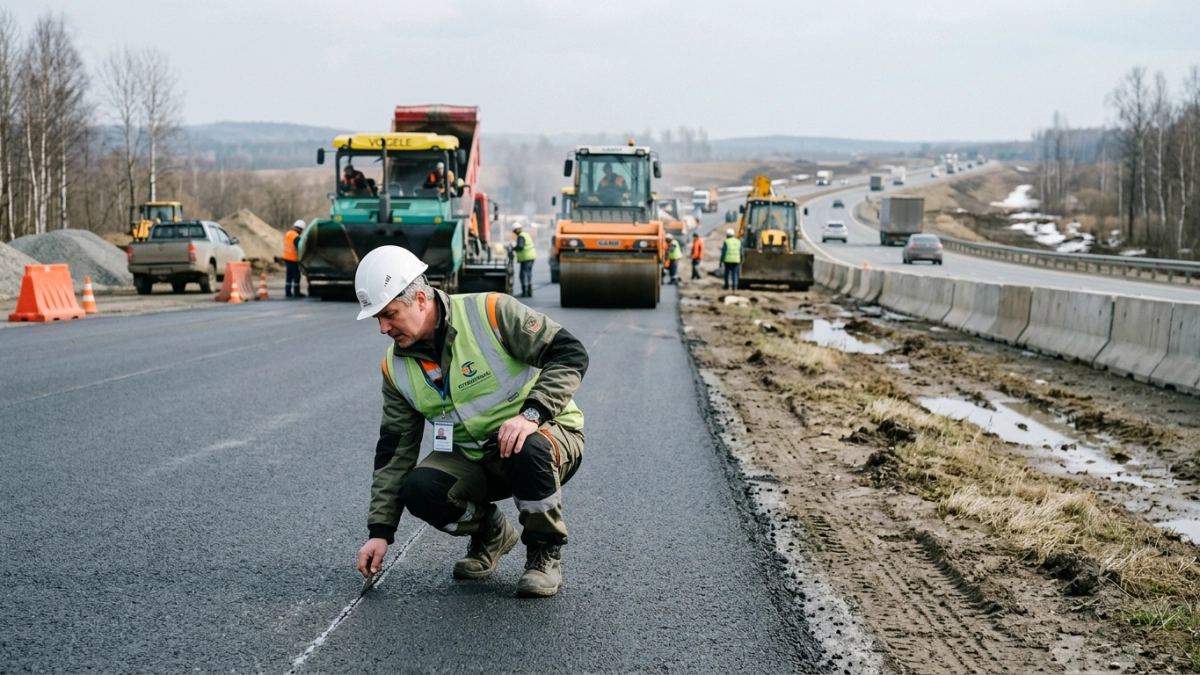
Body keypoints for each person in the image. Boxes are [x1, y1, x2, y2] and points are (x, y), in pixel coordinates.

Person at [354, 246, 587, 598]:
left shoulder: (490, 312)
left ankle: (543, 553)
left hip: (547, 439)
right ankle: (492, 533)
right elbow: (394, 452)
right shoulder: (395, 367)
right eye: (378, 319)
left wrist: (531, 415)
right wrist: (380, 531)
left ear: (420, 298)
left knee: (527, 446)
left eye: (390, 314)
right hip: (476, 456)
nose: (384, 328)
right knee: (418, 488)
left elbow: (570, 353)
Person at [512, 222, 536, 297]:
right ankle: (529, 292)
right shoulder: (526, 234)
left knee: (523, 274)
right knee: (529, 273)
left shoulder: (521, 236)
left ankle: (525, 291)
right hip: (531, 256)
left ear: (516, 230)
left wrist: (513, 248)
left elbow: (520, 246)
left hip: (526, 257)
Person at [283, 220, 305, 298]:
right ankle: (297, 292)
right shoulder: (296, 236)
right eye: (301, 230)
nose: (301, 232)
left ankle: (288, 292)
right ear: (300, 229)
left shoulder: (288, 233)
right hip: (293, 259)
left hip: (286, 258)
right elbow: (300, 247)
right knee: (296, 276)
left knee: (289, 275)